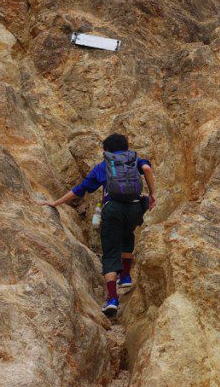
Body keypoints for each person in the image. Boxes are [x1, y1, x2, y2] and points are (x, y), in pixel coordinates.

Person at [41, 133, 156, 317]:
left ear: (107, 150)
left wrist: (56, 203)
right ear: (126, 147)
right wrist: (152, 194)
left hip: (112, 209)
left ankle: (112, 299)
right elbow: (148, 170)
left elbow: (80, 189)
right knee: (128, 235)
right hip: (135, 207)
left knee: (110, 250)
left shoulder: (104, 166)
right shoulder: (135, 159)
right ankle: (125, 276)